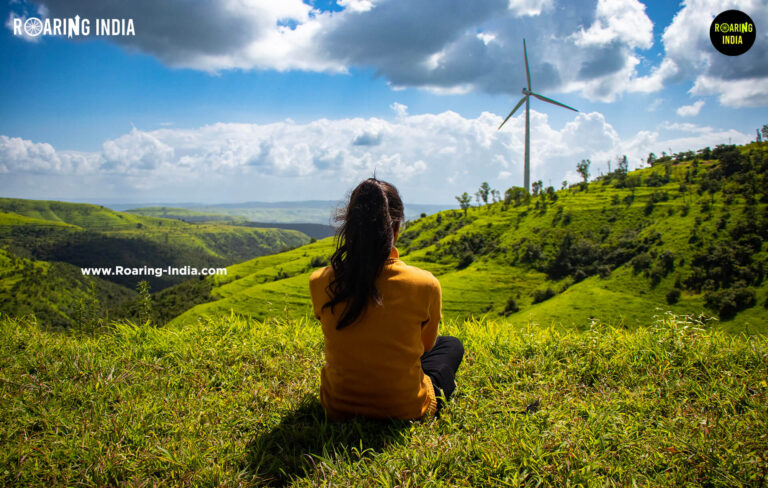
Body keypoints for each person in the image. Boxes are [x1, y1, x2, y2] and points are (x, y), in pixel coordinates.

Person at [309, 178, 464, 420]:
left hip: (337, 405)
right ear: (396, 226)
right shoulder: (425, 283)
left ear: (349, 226)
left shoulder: (320, 280)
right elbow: (426, 346)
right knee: (451, 345)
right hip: (406, 408)